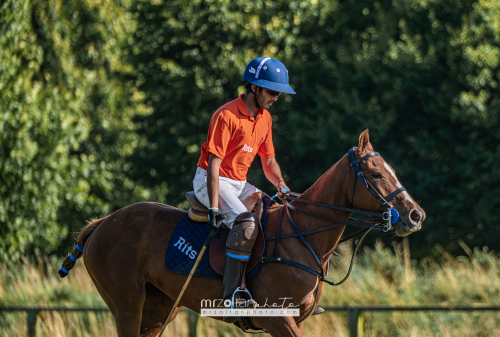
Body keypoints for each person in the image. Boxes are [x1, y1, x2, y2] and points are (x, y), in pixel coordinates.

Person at [193, 57, 294, 322]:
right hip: (210, 179)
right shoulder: (226, 115)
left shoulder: (265, 119)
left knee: (274, 213)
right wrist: (213, 206)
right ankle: (232, 296)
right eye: (272, 92)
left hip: (238, 183)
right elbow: (214, 163)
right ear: (253, 87)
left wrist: (280, 185)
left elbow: (268, 160)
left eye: (278, 93)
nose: (276, 98)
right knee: (247, 225)